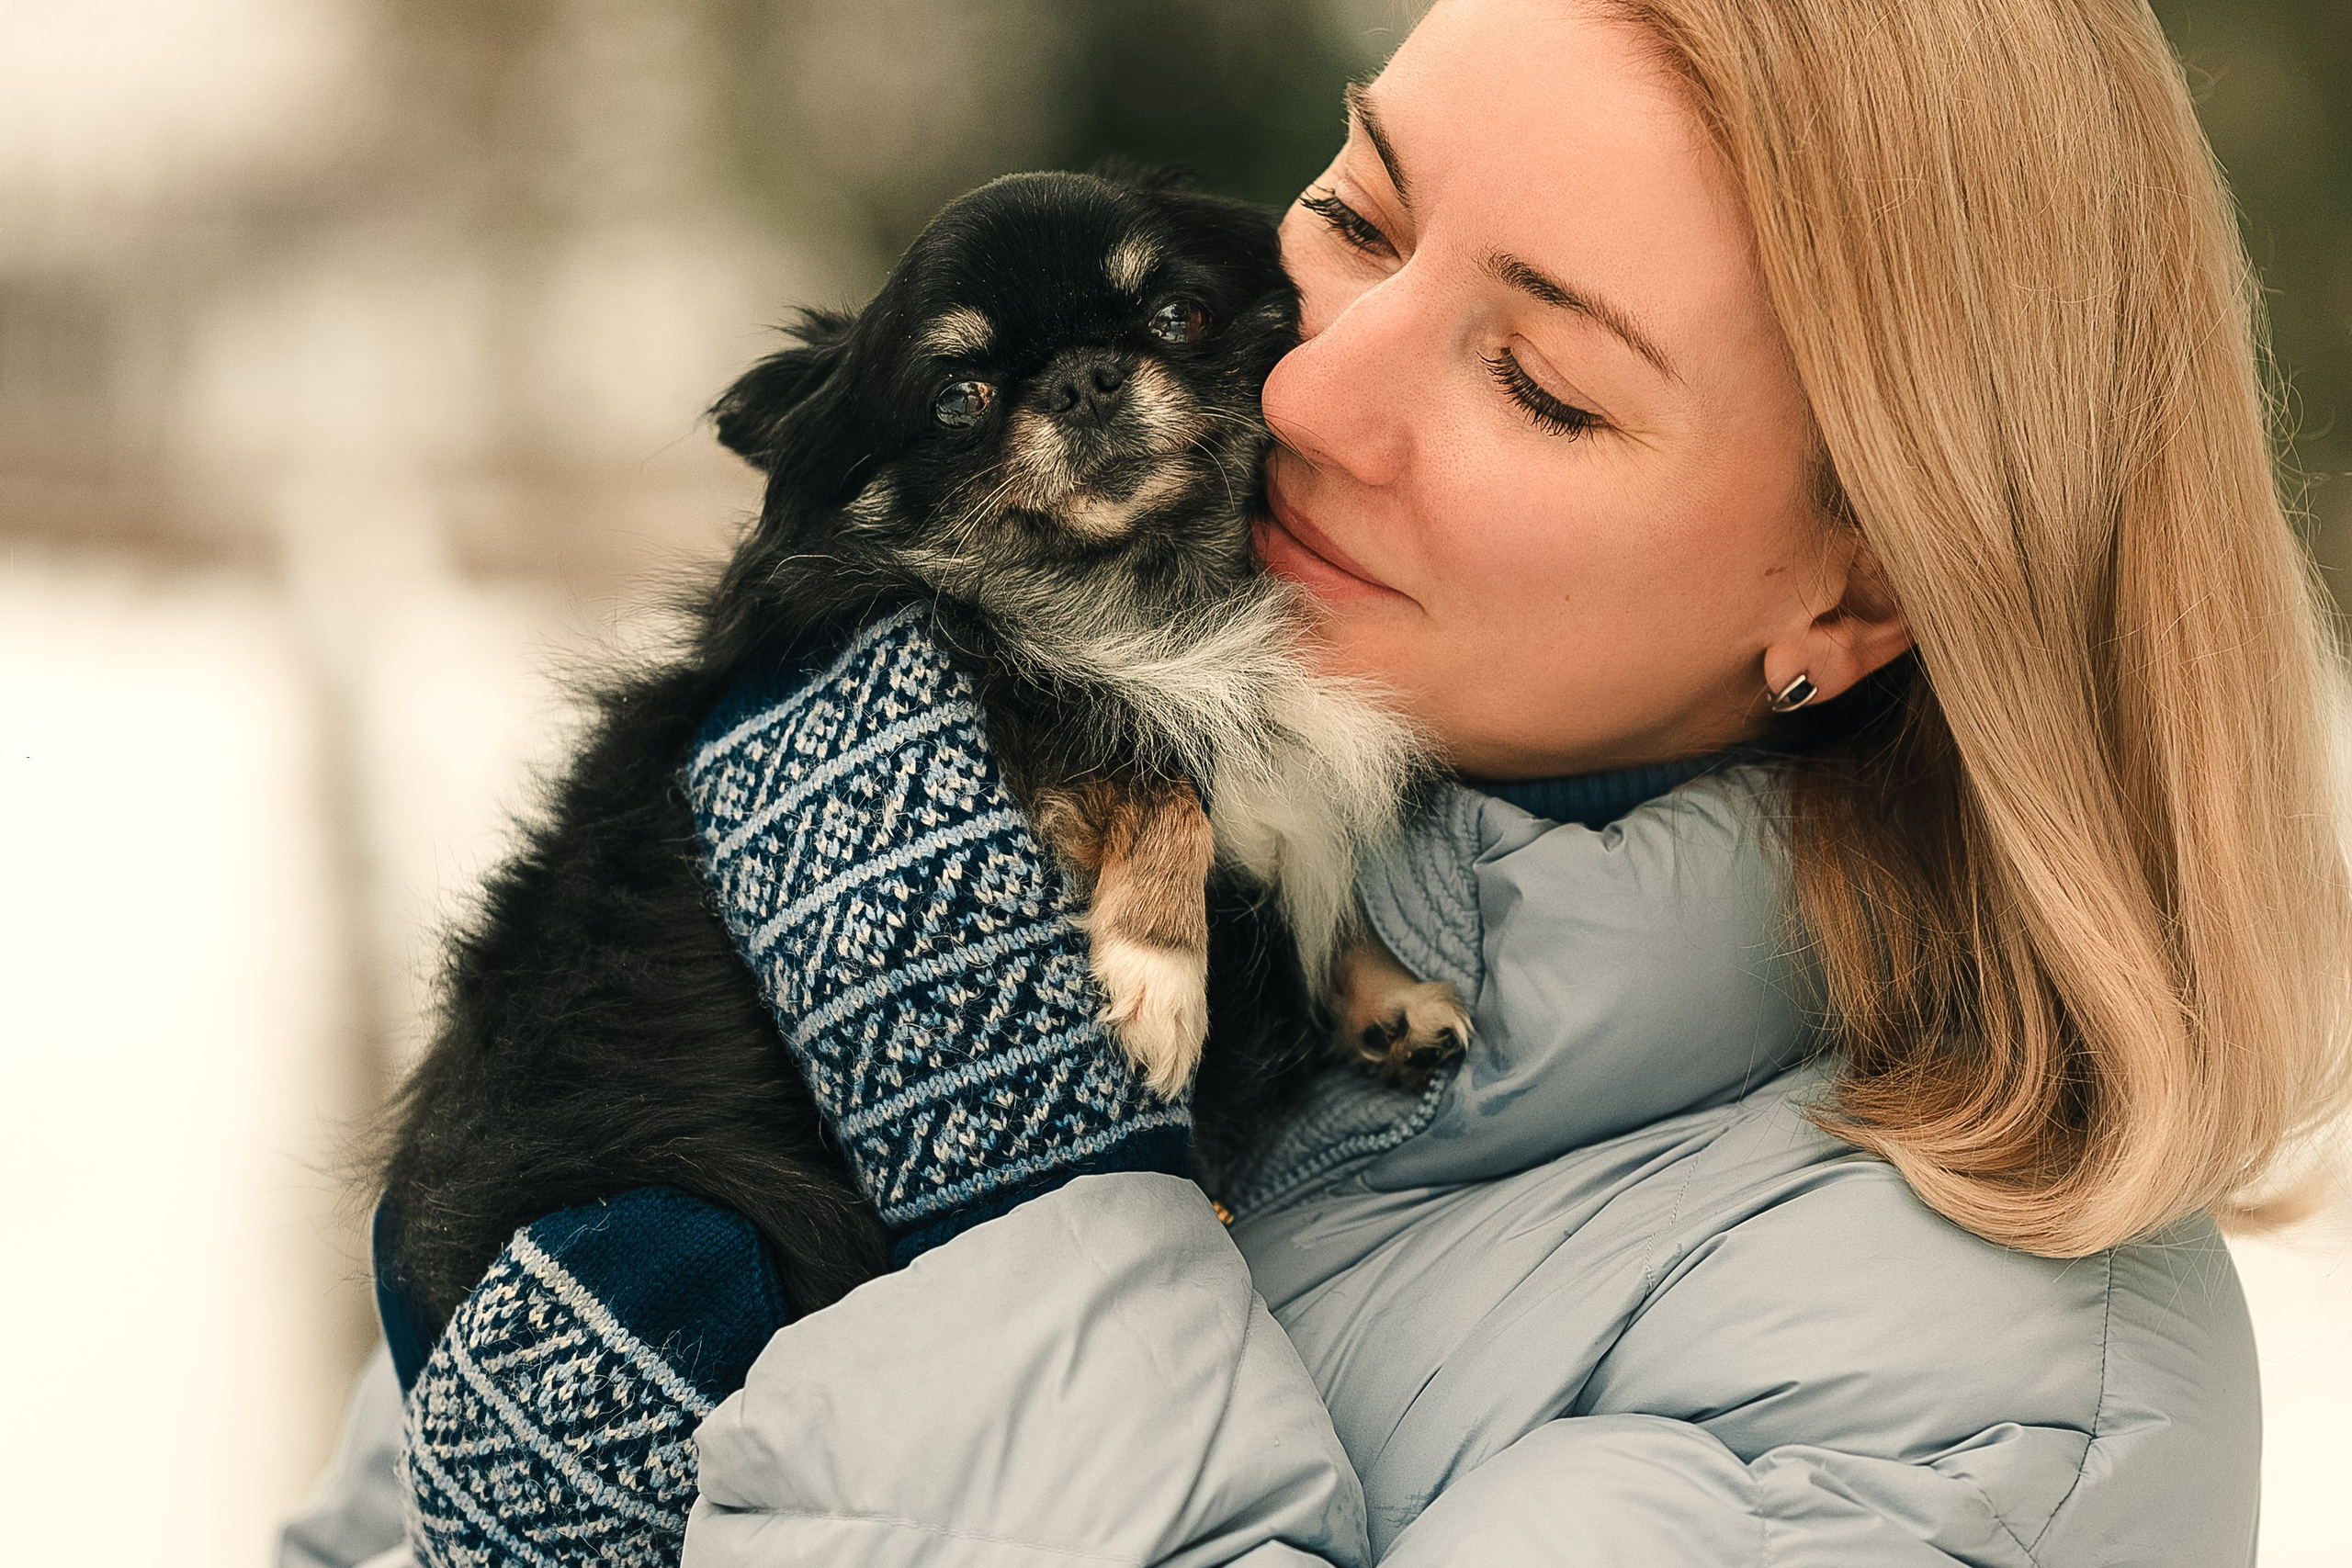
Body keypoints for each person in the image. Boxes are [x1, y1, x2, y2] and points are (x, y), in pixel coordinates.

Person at [282, 1, 2352, 1563]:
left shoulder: (1966, 1420)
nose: (1309, 384)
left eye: (1541, 380)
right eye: (1357, 215)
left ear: (1869, 583)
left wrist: (1014, 1193)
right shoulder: (921, 826)